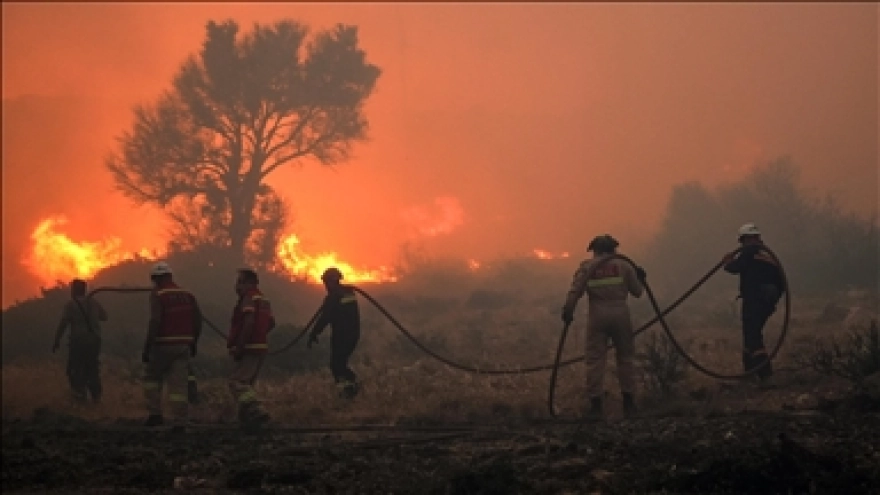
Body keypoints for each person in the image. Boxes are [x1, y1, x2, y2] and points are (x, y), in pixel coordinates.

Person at [562, 234, 646, 421]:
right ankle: (629, 404)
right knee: (625, 359)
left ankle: (596, 408)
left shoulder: (587, 267)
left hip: (597, 317)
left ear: (595, 250)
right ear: (614, 249)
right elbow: (638, 292)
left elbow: (575, 291)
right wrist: (640, 278)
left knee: (594, 361)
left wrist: (568, 311)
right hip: (621, 315)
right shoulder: (624, 265)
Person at [142, 261, 203, 429]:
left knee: (152, 379)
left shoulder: (158, 295)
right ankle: (180, 420)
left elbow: (155, 320)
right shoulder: (188, 295)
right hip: (183, 346)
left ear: (155, 279)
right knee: (178, 386)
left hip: (162, 345)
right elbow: (198, 321)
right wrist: (194, 342)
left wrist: (147, 346)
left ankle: (155, 414)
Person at [722, 223, 785, 383]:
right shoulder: (767, 254)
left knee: (753, 336)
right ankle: (749, 372)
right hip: (767, 301)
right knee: (750, 333)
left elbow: (734, 267)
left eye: (743, 240)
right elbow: (781, 281)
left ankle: (766, 375)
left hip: (754, 299)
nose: (742, 245)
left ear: (746, 239)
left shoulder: (749, 252)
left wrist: (727, 261)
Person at [226, 268, 275, 427]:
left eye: (240, 282)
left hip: (249, 347)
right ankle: (246, 421)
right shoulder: (264, 300)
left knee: (237, 382)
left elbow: (248, 322)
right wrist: (260, 334)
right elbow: (271, 323)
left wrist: (240, 346)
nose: (237, 287)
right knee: (247, 386)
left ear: (250, 283)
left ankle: (257, 411)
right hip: (261, 347)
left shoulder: (248, 299)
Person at [308, 267, 361, 399]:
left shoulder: (333, 296)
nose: (325, 286)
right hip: (353, 334)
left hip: (341, 336)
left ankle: (349, 388)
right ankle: (350, 388)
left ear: (332, 281)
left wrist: (314, 333)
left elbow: (325, 318)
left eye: (326, 282)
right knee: (339, 363)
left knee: (336, 364)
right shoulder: (348, 293)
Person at [52, 279, 107, 404]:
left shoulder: (70, 305)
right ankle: (96, 398)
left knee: (74, 370)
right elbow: (105, 317)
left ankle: (79, 397)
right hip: (94, 341)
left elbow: (63, 324)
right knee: (92, 369)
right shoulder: (93, 302)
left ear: (74, 290)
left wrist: (57, 341)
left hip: (78, 342)